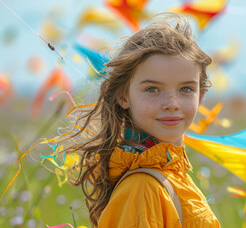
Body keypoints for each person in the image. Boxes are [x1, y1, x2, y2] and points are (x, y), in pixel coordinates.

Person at [54, 13, 220, 228]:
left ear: (201, 96)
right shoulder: (143, 188)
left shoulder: (172, 173)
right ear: (124, 96)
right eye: (152, 89)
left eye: (186, 89)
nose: (172, 103)